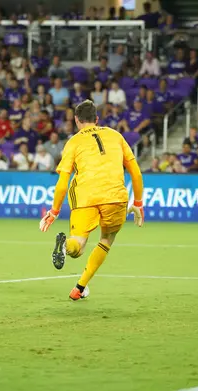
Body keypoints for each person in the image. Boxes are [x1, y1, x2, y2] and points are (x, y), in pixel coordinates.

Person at [39, 100, 144, 301]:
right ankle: (80, 287)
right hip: (115, 196)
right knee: (106, 239)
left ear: (77, 121)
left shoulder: (73, 142)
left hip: (85, 196)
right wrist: (138, 203)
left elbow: (62, 182)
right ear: (96, 119)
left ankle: (65, 246)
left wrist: (54, 211)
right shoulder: (116, 135)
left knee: (77, 247)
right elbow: (136, 173)